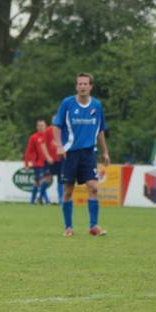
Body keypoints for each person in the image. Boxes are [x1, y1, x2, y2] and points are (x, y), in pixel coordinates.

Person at [53, 73, 110, 237]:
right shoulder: (67, 103)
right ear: (76, 86)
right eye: (80, 84)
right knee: (68, 191)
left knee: (93, 187)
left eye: (85, 84)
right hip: (70, 153)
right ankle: (68, 227)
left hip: (88, 153)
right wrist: (59, 146)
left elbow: (100, 131)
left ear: (91, 86)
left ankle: (94, 226)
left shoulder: (97, 105)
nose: (82, 86)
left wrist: (105, 152)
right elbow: (56, 126)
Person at [24, 120, 53, 204]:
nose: (41, 127)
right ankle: (43, 201)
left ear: (46, 126)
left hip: (48, 163)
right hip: (38, 164)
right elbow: (28, 151)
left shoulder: (49, 136)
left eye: (42, 125)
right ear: (36, 127)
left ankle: (34, 201)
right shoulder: (34, 137)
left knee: (43, 181)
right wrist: (26, 164)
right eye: (39, 126)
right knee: (40, 181)